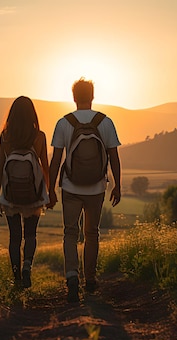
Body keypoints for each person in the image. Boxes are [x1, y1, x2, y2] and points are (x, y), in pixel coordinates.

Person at [48, 78, 121, 303]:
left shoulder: (63, 123)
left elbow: (56, 159)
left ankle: (72, 277)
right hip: (97, 187)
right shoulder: (105, 122)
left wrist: (50, 189)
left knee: (70, 233)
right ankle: (90, 279)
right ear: (92, 96)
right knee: (92, 233)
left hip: (71, 186)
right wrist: (117, 184)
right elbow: (114, 157)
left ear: (73, 97)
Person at [0, 96, 55, 288]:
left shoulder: (5, 136)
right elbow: (45, 167)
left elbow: (0, 167)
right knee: (30, 235)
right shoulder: (39, 136)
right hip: (33, 196)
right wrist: (48, 192)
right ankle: (27, 267)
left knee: (14, 237)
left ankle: (16, 279)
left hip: (10, 195)